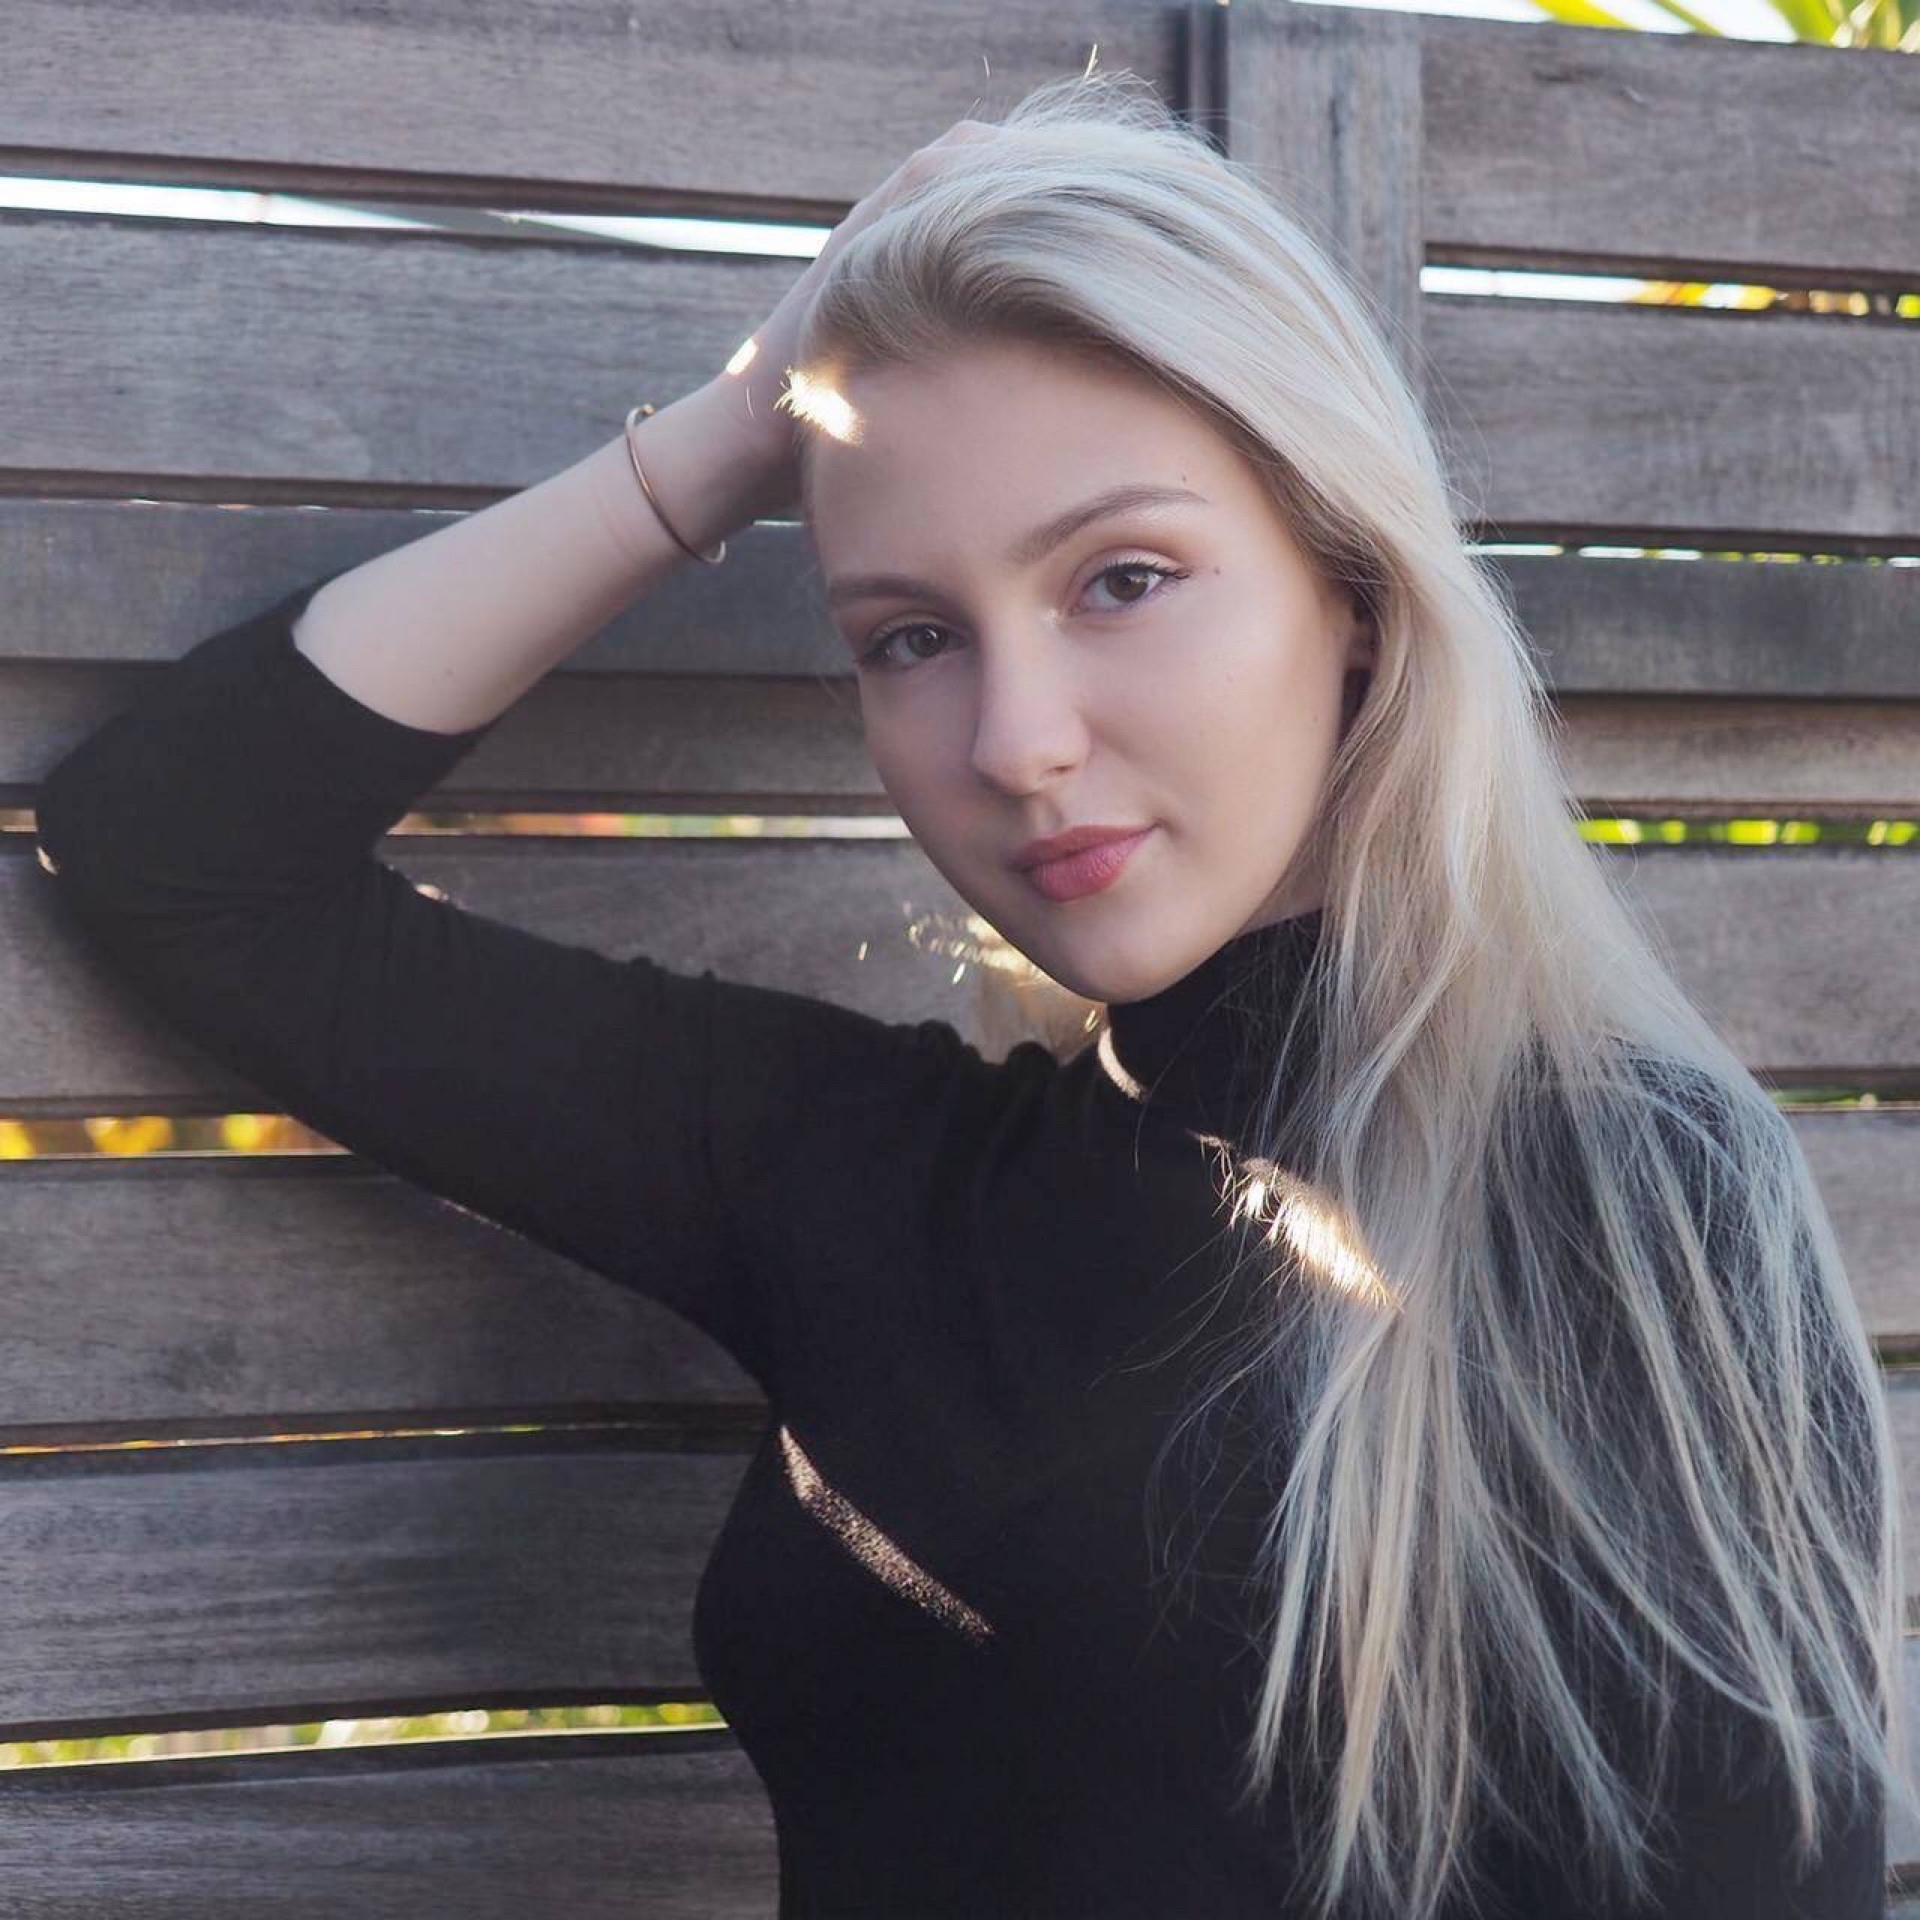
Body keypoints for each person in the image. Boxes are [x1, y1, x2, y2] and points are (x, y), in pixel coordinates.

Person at [32, 68, 1902, 1920]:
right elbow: (181, 852)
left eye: (1123, 579)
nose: (1015, 742)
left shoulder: (1627, 1195)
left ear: (1350, 586)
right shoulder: (864, 1178)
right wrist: (732, 434)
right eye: (911, 635)